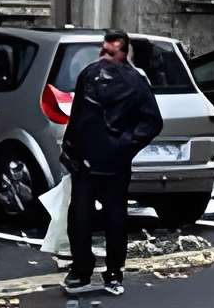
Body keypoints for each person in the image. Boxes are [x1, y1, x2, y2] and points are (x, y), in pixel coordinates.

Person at [60, 29, 162, 296]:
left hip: (112, 162)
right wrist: (71, 149)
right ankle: (83, 270)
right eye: (103, 50)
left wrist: (123, 145)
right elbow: (78, 116)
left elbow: (152, 121)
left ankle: (112, 271)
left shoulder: (135, 82)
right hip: (88, 159)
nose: (104, 56)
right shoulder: (89, 76)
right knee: (80, 217)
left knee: (114, 218)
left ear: (123, 53)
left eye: (111, 52)